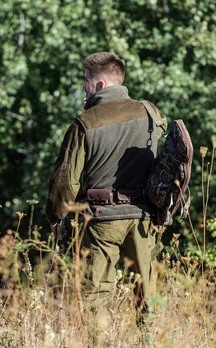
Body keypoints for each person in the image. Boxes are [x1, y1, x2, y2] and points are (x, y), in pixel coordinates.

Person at [46, 52, 165, 330]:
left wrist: (56, 217)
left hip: (102, 221)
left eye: (86, 82)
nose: (83, 89)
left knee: (94, 297)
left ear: (99, 85)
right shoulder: (150, 112)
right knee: (147, 293)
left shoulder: (85, 123)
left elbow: (66, 180)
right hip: (143, 218)